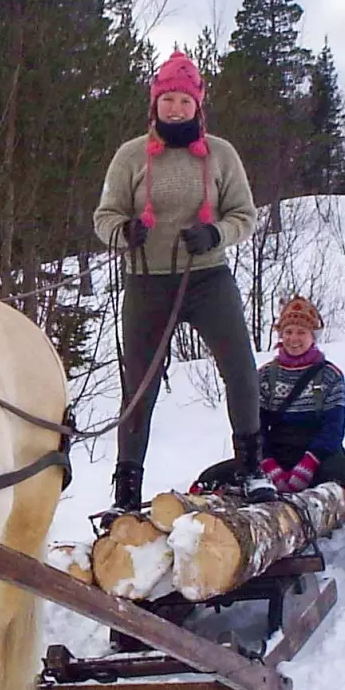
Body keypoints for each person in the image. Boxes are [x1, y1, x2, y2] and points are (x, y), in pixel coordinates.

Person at [92, 49, 276, 514]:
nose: (175, 109)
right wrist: (123, 232)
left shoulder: (221, 154)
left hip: (207, 276)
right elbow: (105, 215)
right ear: (155, 104)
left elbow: (245, 215)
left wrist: (215, 232)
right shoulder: (130, 156)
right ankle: (126, 495)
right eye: (168, 100)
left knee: (239, 368)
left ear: (198, 106)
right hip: (146, 280)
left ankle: (252, 469)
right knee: (139, 387)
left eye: (184, 101)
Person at [201, 295, 345, 571]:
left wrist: (307, 466)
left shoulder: (331, 376)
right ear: (280, 335)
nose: (294, 338)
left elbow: (334, 428)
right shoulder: (264, 377)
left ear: (313, 335)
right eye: (288, 332)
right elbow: (253, 427)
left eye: (301, 332)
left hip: (321, 455)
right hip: (273, 455)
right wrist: (268, 466)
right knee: (210, 480)